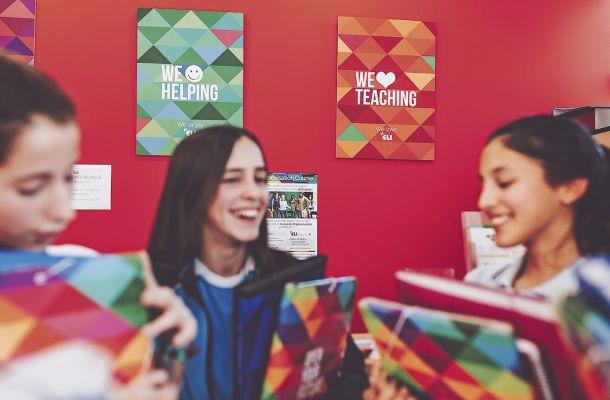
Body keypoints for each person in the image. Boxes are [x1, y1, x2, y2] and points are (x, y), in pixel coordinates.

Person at [0, 53, 196, 400]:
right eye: (31, 188)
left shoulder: (88, 273)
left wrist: (168, 348)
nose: (64, 211)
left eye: (69, 178)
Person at [147, 126, 368, 400]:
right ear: (192, 190)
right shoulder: (155, 289)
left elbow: (351, 375)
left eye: (260, 179)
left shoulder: (296, 279)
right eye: (232, 179)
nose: (254, 193)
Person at [466, 115, 610, 298]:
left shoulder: (600, 293)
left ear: (569, 188)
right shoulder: (479, 284)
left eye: (504, 182)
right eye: (483, 184)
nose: (484, 201)